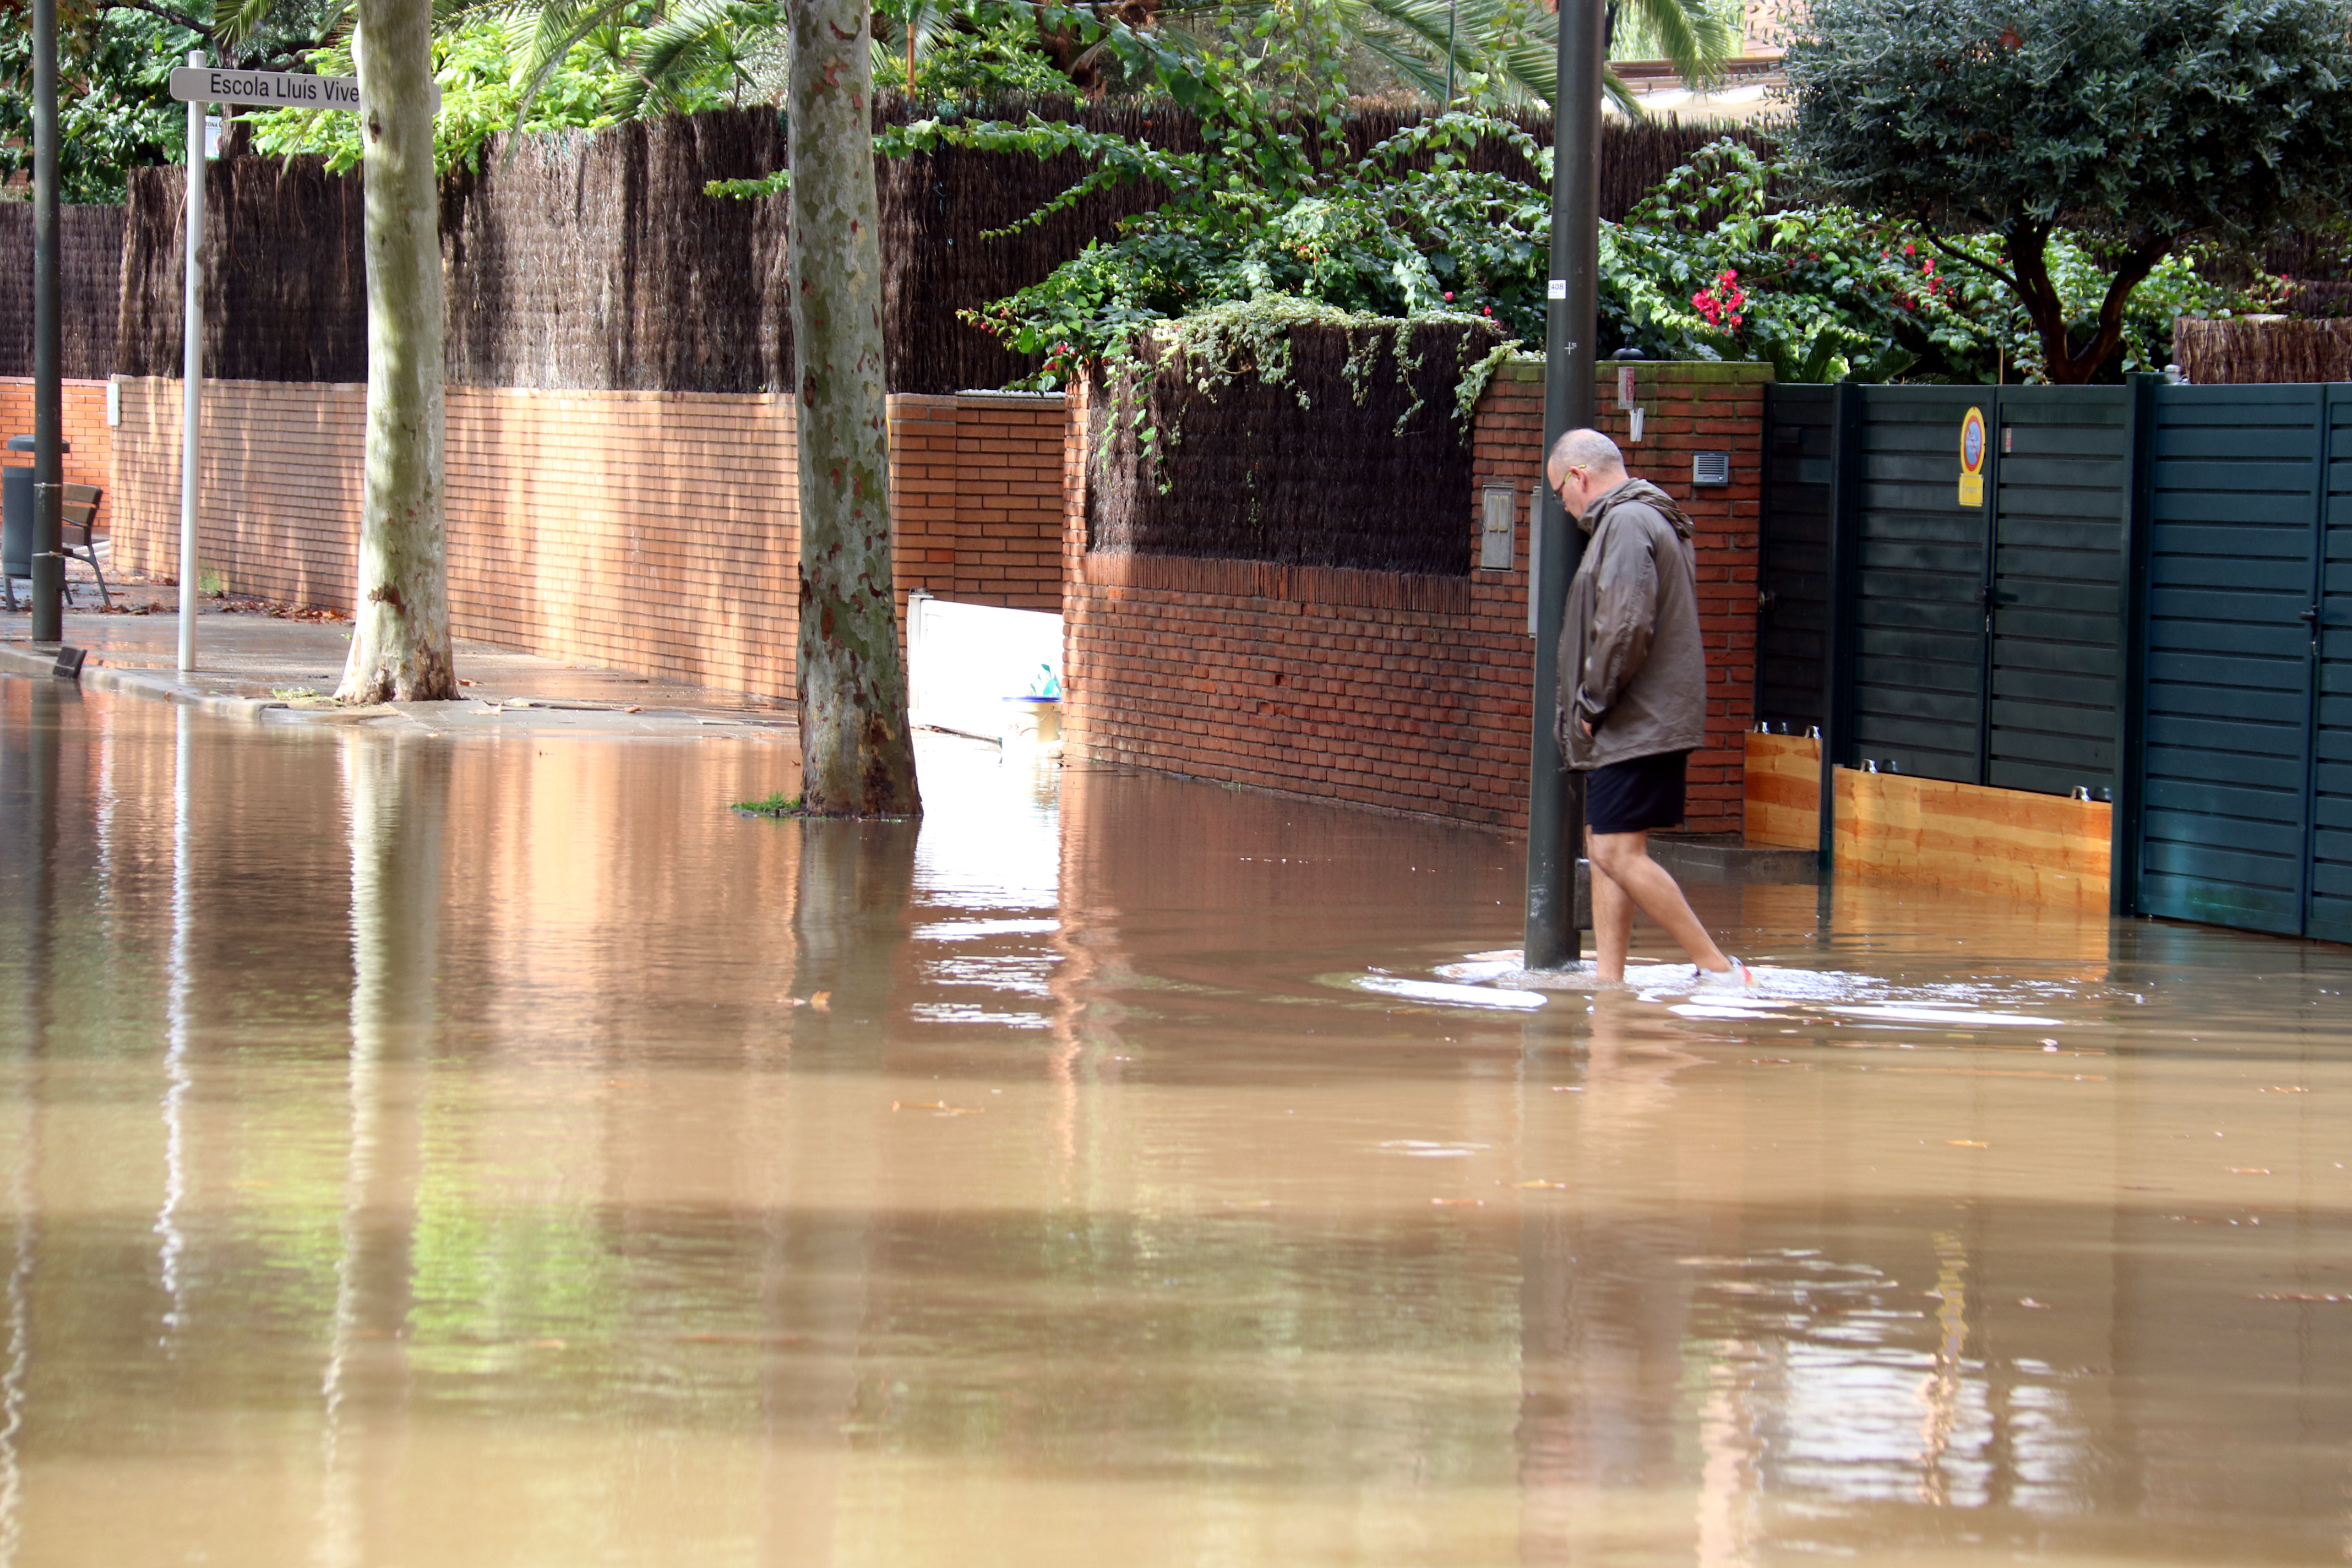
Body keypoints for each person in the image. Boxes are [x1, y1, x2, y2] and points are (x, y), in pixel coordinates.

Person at [1546, 428, 1752, 989]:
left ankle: (1720, 970)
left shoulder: (1628, 522)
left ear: (1578, 478)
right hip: (1638, 719)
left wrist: (1592, 700)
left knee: (1613, 848)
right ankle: (1610, 983)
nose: (1564, 508)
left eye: (1559, 494)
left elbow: (1626, 621)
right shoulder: (1639, 519)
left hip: (1637, 718)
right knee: (1611, 847)